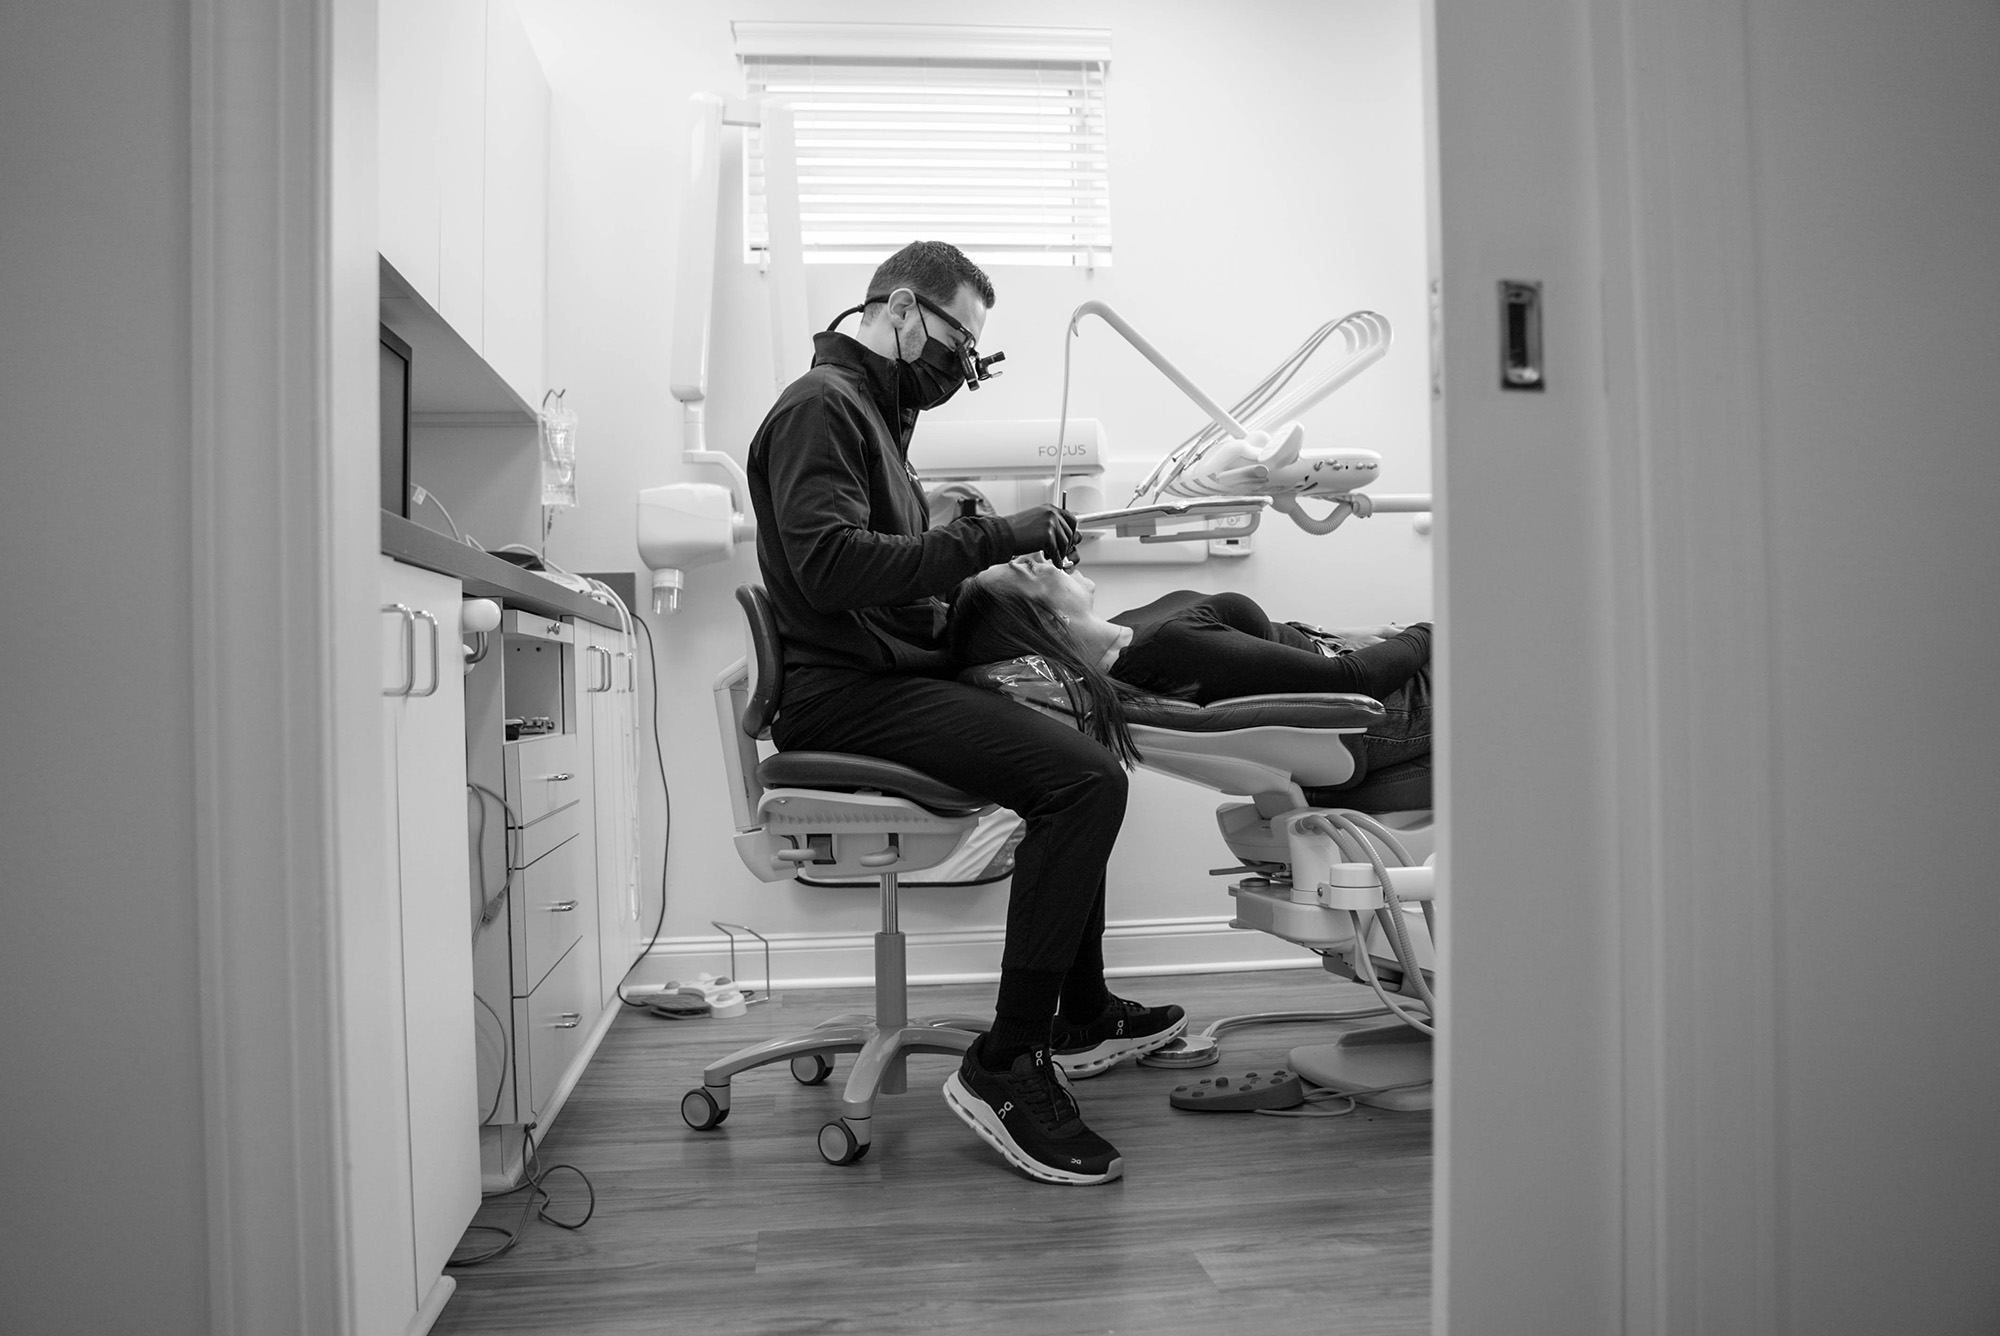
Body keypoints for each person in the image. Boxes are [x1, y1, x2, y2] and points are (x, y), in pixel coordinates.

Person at [745, 241, 1185, 1187]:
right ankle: (1006, 1065)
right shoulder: (822, 405)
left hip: (875, 677)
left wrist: (941, 527)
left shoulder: (870, 415)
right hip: (845, 698)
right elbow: (830, 568)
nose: (964, 365)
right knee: (1082, 782)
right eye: (960, 341)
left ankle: (1081, 1011)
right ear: (902, 309)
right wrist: (988, 538)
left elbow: (876, 565)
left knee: (1077, 747)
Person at [949, 556, 1433, 808]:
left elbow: (1251, 648)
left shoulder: (1128, 634)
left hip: (1360, 666)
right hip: (1394, 705)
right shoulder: (1168, 647)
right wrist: (1430, 631)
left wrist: (1340, 634)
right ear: (1049, 623)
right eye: (1027, 568)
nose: (1040, 554)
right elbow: (1354, 680)